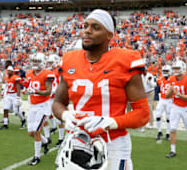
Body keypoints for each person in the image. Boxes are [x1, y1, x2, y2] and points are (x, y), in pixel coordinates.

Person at [53, 9, 150, 169]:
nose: (87, 31)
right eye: (85, 26)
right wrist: (65, 115)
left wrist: (110, 122)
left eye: (96, 27)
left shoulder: (125, 60)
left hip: (112, 142)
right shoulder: (69, 60)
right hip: (77, 140)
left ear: (109, 35)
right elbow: (57, 103)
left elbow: (143, 114)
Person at [25, 52, 54, 166]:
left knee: (36, 132)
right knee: (30, 132)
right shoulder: (30, 73)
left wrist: (35, 92)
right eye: (34, 61)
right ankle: (46, 141)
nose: (35, 63)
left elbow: (48, 91)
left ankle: (36, 157)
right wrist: (26, 91)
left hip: (43, 106)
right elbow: (29, 86)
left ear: (42, 62)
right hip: (33, 106)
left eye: (37, 61)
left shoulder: (47, 74)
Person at [165, 60, 187, 158]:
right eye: (174, 68)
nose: (175, 70)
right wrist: (171, 91)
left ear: (182, 68)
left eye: (177, 68)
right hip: (175, 106)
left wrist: (177, 93)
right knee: (172, 128)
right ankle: (172, 150)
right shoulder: (171, 79)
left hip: (186, 107)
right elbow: (167, 96)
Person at [46, 54, 65, 147]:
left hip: (57, 96)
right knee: (47, 114)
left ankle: (61, 139)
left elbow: (61, 83)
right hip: (50, 96)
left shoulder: (59, 70)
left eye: (51, 62)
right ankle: (52, 129)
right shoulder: (52, 70)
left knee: (59, 120)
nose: (50, 64)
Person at [155, 65, 173, 140]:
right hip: (162, 99)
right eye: (164, 71)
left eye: (166, 71)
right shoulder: (159, 79)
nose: (165, 72)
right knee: (158, 115)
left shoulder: (172, 79)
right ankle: (159, 132)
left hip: (170, 100)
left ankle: (168, 133)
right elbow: (155, 85)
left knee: (168, 117)